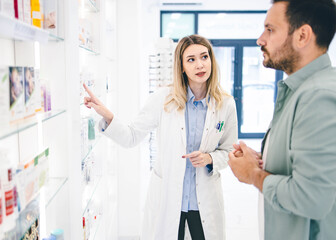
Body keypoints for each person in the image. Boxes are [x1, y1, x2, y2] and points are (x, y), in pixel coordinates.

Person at [83, 34, 237, 239]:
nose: (200, 64)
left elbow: (229, 151)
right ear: (181, 66)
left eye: (204, 57)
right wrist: (108, 115)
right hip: (169, 200)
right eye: (191, 59)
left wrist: (210, 158)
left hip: (204, 203)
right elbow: (131, 136)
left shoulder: (225, 103)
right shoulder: (163, 99)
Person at [228, 0, 336, 240]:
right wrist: (262, 161)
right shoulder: (300, 91)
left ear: (302, 36)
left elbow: (312, 197)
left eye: (270, 29)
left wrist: (252, 174)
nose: (260, 39)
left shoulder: (318, 97)